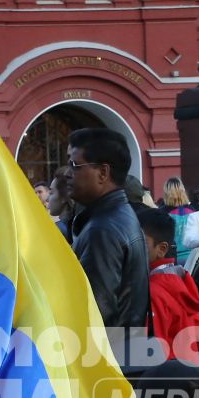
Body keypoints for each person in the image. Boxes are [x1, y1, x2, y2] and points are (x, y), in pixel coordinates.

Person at [66, 127, 150, 331]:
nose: (67, 173)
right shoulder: (117, 215)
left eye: (75, 165)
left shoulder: (103, 229)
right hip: (123, 351)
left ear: (103, 173)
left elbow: (95, 314)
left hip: (106, 355)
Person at [138, 207, 199, 364]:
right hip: (188, 370)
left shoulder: (154, 291)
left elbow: (154, 348)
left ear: (162, 249)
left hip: (166, 376)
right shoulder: (179, 279)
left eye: (140, 242)